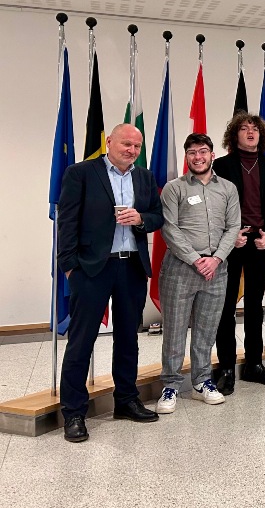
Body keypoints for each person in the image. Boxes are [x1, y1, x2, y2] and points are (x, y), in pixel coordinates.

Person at [57, 123, 164, 442]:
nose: (132, 150)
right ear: (109, 142)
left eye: (137, 146)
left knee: (129, 339)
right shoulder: (81, 173)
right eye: (126, 144)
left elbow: (157, 215)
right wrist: (69, 268)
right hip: (91, 269)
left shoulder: (144, 177)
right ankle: (74, 412)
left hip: (131, 266)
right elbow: (67, 221)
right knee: (82, 340)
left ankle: (126, 400)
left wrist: (141, 219)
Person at [156, 134, 240, 413]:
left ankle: (202, 382)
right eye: (192, 152)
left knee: (207, 330)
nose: (198, 157)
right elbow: (170, 228)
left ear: (212, 155)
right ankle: (170, 384)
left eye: (203, 151)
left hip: (217, 270)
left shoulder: (227, 188)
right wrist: (195, 259)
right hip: (180, 269)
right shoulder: (173, 188)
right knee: (175, 331)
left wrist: (215, 259)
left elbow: (233, 228)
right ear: (187, 157)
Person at [212, 112, 265, 393]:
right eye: (244, 129)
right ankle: (227, 368)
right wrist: (230, 238)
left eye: (255, 128)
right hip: (230, 244)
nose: (250, 132)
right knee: (226, 307)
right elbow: (214, 208)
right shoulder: (220, 166)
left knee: (255, 307)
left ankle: (254, 364)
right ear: (235, 135)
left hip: (260, 242)